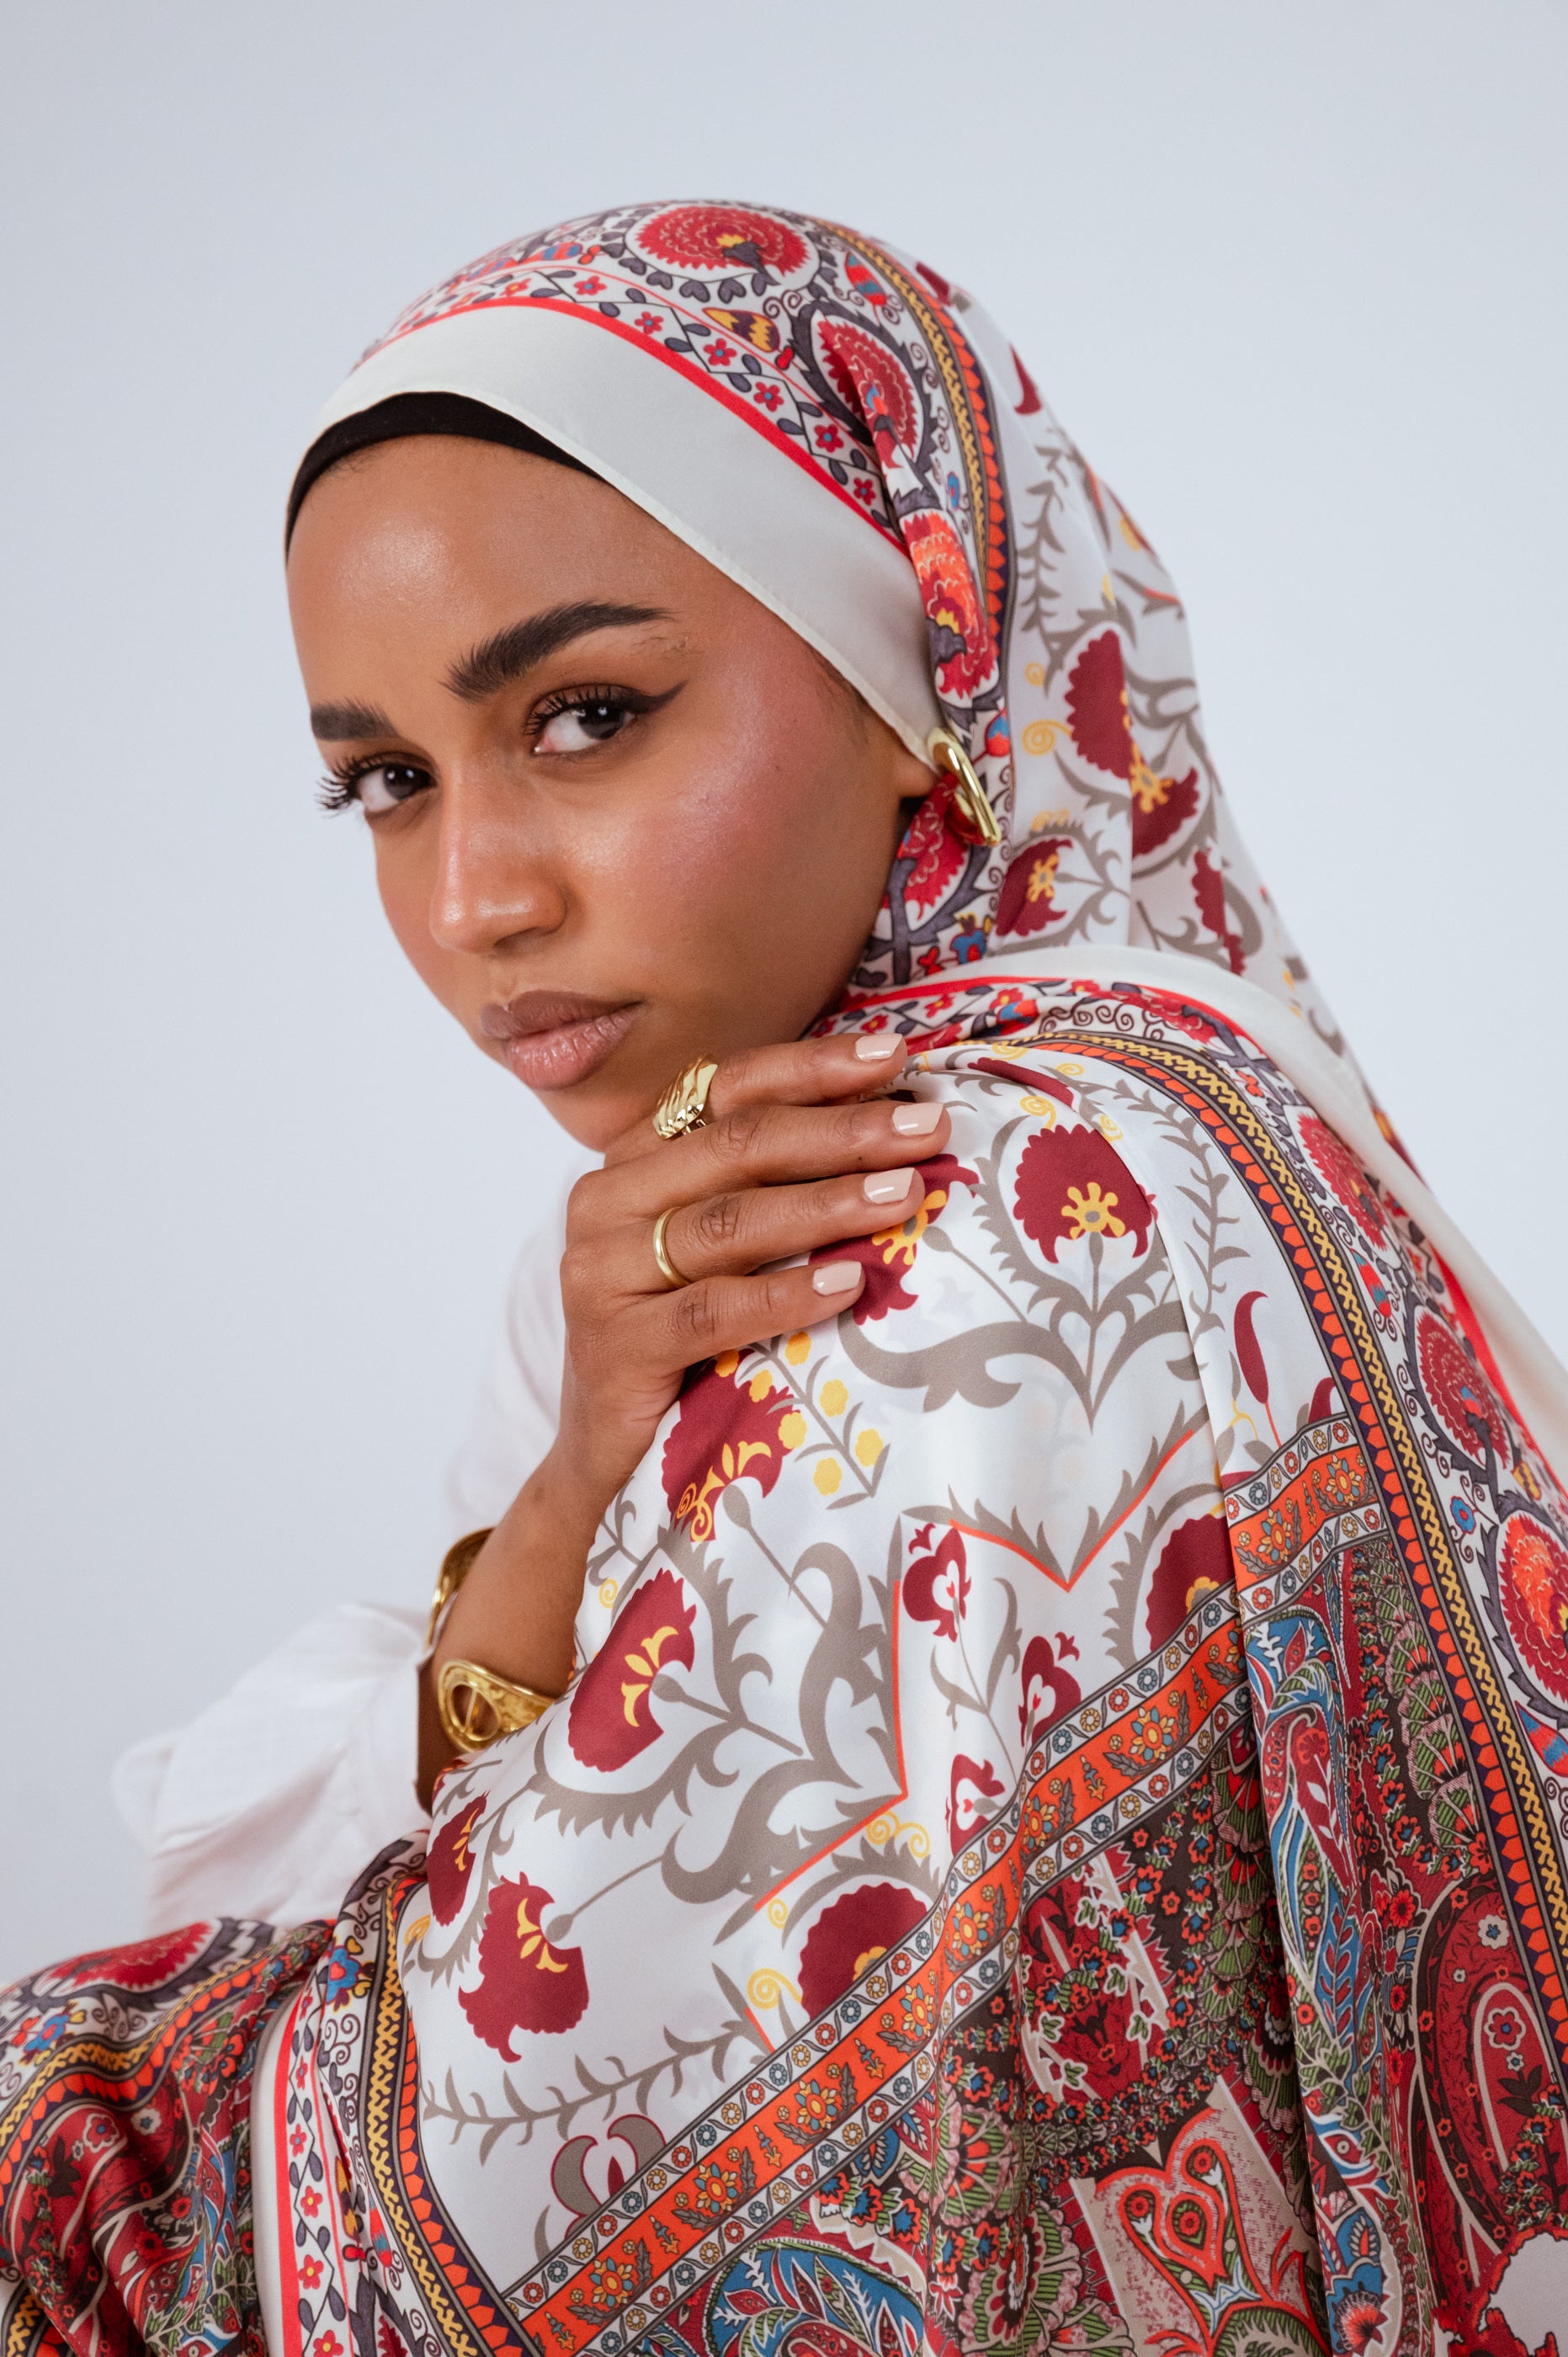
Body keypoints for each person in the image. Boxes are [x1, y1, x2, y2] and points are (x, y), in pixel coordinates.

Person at [4, 200, 1567, 2357]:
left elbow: (499, 2141)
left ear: (919, 674)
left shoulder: (984, 1215)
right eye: (381, 779)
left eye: (582, 714)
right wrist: (568, 1486)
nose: (470, 897)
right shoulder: (693, 1216)